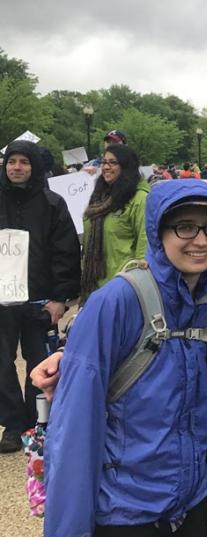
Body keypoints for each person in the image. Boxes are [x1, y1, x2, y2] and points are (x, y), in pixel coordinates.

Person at [43, 179, 207, 537]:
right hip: (127, 513)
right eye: (185, 227)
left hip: (189, 504)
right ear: (157, 231)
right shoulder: (114, 303)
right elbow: (74, 429)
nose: (202, 240)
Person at [0, 141, 81, 454]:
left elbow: (66, 253)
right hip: (3, 300)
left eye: (24, 162)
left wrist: (61, 298)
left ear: (34, 167)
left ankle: (38, 422)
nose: (17, 167)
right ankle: (13, 422)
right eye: (12, 162)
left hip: (39, 299)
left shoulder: (52, 203)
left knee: (40, 363)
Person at [81, 143, 149, 298]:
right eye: (104, 162)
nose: (106, 167)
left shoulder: (139, 198)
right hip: (94, 285)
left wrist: (137, 281)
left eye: (112, 162)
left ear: (126, 166)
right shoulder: (99, 196)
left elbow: (144, 243)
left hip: (123, 286)